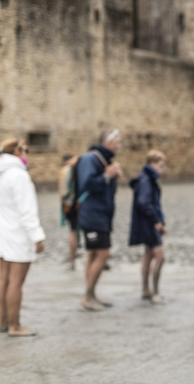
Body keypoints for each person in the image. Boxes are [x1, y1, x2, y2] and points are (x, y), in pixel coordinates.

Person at [0, 139, 46, 336]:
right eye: (25, 150)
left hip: (3, 232)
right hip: (17, 234)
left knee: (3, 280)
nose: (27, 153)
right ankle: (15, 325)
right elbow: (27, 210)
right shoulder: (18, 175)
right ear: (17, 151)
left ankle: (2, 321)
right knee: (16, 282)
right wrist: (37, 236)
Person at [77, 129, 122, 311]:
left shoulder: (104, 159)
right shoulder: (90, 159)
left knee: (93, 254)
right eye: (117, 141)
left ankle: (91, 293)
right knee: (103, 254)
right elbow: (86, 184)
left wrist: (112, 178)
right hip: (92, 214)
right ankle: (87, 296)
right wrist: (107, 175)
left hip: (101, 214)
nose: (120, 145)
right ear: (108, 141)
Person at [129, 150, 167, 304]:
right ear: (152, 164)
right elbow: (144, 203)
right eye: (161, 165)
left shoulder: (146, 178)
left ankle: (146, 290)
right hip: (148, 224)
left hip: (146, 223)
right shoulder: (146, 180)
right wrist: (156, 221)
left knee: (148, 255)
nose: (162, 168)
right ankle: (155, 293)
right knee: (160, 256)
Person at [59, 154, 79, 270]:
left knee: (73, 232)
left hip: (69, 204)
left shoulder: (66, 171)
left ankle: (73, 260)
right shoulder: (79, 169)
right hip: (80, 204)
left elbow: (63, 191)